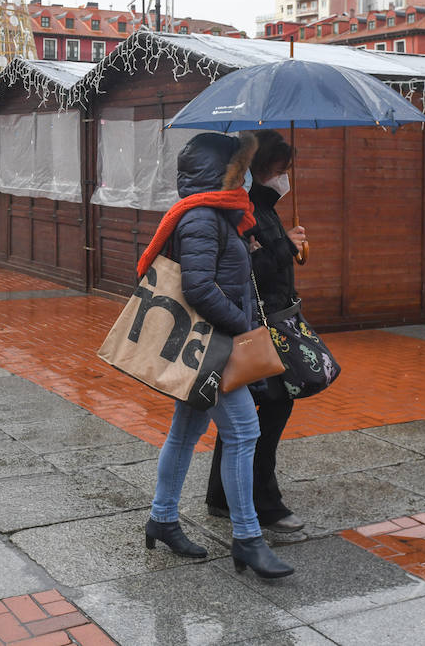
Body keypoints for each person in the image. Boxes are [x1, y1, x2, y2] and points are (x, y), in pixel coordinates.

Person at [140, 131, 294, 579]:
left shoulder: (220, 217)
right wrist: (243, 327)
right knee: (245, 433)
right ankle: (247, 538)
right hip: (214, 346)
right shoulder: (203, 219)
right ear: (222, 173)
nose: (247, 180)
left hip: (209, 344)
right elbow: (199, 288)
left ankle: (163, 519)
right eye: (241, 171)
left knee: (185, 433)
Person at [206, 130, 307, 533]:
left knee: (245, 415)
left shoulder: (264, 207)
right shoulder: (242, 210)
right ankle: (262, 500)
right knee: (267, 411)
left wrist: (288, 244)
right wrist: (284, 246)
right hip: (256, 330)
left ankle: (223, 495)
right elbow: (243, 274)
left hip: (272, 322)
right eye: (281, 170)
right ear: (263, 169)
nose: (286, 179)